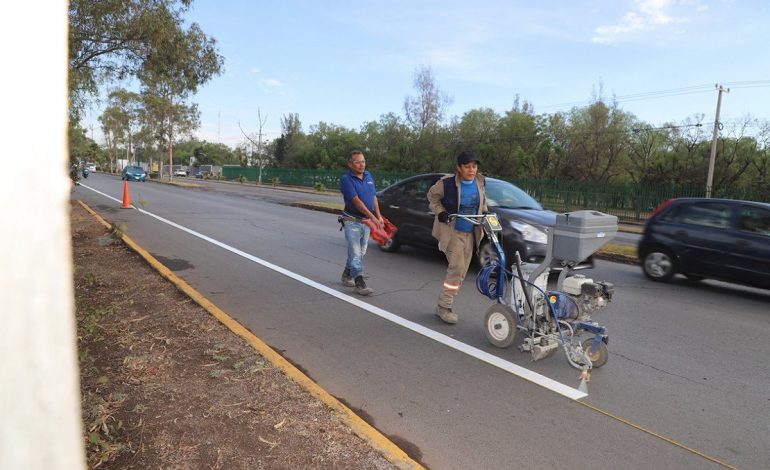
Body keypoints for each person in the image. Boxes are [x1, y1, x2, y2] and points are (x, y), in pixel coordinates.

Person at [427, 150, 488, 324]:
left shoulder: (480, 181)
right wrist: (441, 212)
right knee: (456, 268)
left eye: (474, 166)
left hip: (471, 232)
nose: (472, 170)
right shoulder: (446, 183)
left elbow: (482, 202)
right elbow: (432, 197)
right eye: (467, 166)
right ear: (459, 168)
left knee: (461, 272)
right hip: (452, 231)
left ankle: (445, 302)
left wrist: (486, 213)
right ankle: (444, 307)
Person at [339, 150, 383, 296]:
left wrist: (379, 216)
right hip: (352, 221)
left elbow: (373, 197)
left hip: (366, 221)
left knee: (360, 251)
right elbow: (356, 201)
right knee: (356, 252)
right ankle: (359, 282)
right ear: (350, 164)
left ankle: (347, 274)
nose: (361, 164)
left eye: (363, 161)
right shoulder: (346, 179)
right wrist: (373, 217)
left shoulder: (369, 176)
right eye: (357, 162)